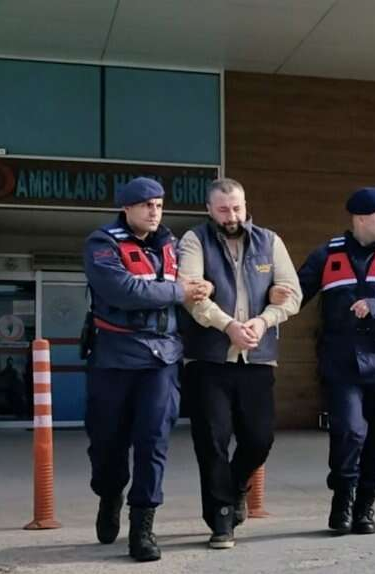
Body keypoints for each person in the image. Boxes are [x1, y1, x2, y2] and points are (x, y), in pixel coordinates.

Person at [82, 177, 211, 562]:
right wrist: (179, 292)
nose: (154, 212)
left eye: (158, 205)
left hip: (162, 360)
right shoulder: (102, 243)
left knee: (153, 441)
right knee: (107, 443)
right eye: (145, 205)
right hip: (114, 358)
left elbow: (194, 284)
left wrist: (202, 288)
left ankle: (142, 526)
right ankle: (109, 495)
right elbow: (123, 292)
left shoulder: (171, 244)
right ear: (126, 208)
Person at [178, 177, 302, 549]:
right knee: (212, 440)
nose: (231, 216)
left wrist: (263, 321)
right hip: (208, 359)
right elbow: (191, 294)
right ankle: (220, 519)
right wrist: (228, 325)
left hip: (257, 358)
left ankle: (235, 488)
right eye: (222, 209)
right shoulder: (194, 240)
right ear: (209, 210)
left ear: (245, 206)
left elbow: (293, 295)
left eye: (236, 208)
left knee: (259, 439)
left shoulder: (270, 241)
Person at [296, 187, 375, 535]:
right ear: (361, 219)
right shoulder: (327, 255)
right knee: (349, 432)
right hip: (342, 362)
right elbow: (295, 293)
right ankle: (343, 499)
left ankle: (366, 506)